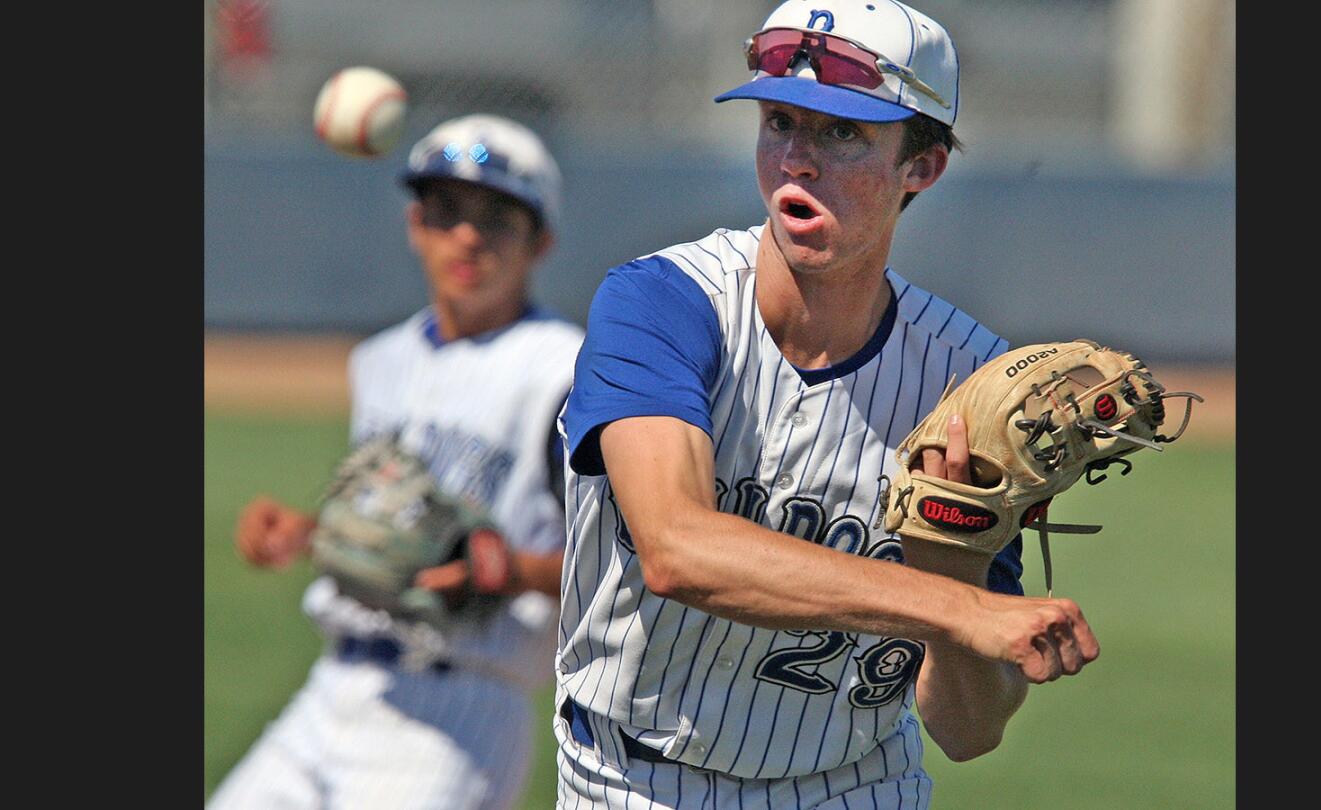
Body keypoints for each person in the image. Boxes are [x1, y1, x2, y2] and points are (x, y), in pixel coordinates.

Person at [553, 1, 1100, 806]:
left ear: (924, 166)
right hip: (628, 778)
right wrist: (956, 604)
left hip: (855, 784)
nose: (797, 161)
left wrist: (956, 561)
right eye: (779, 122)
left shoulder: (971, 383)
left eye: (843, 134)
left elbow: (969, 730)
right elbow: (676, 549)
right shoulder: (663, 303)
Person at [208, 114, 583, 810]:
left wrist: (515, 571)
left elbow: (626, 559)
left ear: (542, 242)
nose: (467, 235)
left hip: (459, 706)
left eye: (498, 217)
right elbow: (394, 522)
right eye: (447, 211)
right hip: (334, 691)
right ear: (416, 224)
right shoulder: (380, 361)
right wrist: (307, 534)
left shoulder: (565, 373)